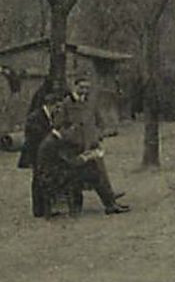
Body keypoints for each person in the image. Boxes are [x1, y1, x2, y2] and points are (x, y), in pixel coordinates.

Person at [34, 117, 130, 216]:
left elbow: (68, 160)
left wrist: (86, 156)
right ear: (62, 129)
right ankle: (110, 204)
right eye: (70, 130)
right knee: (92, 170)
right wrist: (87, 157)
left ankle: (110, 203)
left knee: (91, 167)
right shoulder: (54, 142)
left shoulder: (54, 139)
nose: (71, 134)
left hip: (55, 173)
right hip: (53, 176)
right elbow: (72, 162)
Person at [63, 77, 125, 210]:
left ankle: (110, 197)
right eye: (81, 87)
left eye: (87, 88)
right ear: (74, 86)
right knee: (78, 175)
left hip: (92, 142)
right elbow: (62, 124)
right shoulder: (67, 103)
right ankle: (77, 204)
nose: (84, 91)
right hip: (76, 145)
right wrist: (71, 135)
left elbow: (98, 120)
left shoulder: (90, 102)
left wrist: (98, 134)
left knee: (100, 170)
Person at [19, 85, 60, 217]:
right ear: (50, 105)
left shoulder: (50, 116)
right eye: (56, 106)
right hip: (34, 152)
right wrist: (51, 133)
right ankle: (38, 210)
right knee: (38, 179)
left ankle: (45, 208)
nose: (57, 109)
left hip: (44, 151)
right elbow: (34, 135)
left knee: (44, 178)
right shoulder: (35, 116)